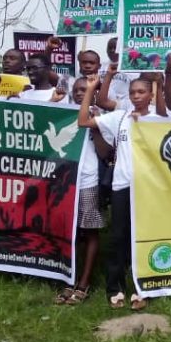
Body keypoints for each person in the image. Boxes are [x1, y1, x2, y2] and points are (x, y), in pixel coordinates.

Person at [77, 74, 160, 310]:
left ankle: (143, 288)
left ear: (151, 95)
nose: (136, 96)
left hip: (148, 187)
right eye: (132, 92)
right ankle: (115, 288)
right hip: (121, 185)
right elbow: (83, 121)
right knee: (118, 237)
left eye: (141, 92)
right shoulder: (120, 117)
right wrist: (91, 89)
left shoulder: (159, 120)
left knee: (144, 237)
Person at [53, 77, 106, 305]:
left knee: (90, 230)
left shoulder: (100, 116)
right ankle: (69, 278)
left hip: (87, 180)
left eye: (85, 89)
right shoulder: (63, 113)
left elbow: (105, 152)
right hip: (66, 180)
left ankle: (84, 282)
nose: (80, 93)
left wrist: (97, 126)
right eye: (76, 90)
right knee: (69, 232)